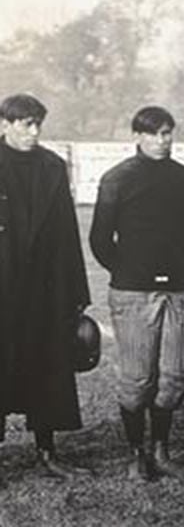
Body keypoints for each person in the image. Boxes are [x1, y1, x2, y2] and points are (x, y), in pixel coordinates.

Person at [90, 106, 184, 481]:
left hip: (179, 291)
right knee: (137, 381)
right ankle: (136, 453)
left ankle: (161, 451)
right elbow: (100, 240)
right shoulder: (117, 178)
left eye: (167, 133)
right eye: (153, 133)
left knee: (172, 380)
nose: (162, 140)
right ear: (137, 135)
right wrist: (130, 272)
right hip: (134, 292)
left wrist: (166, 271)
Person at [0, 93, 91, 480]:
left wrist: (76, 295)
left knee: (48, 365)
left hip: (44, 287)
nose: (33, 132)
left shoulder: (53, 166)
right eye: (25, 124)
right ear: (5, 124)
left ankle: (47, 451)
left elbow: (68, 233)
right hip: (2, 284)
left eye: (38, 124)